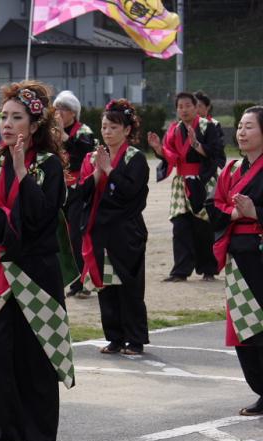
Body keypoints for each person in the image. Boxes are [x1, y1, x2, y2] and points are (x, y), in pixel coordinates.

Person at [0, 81, 75, 441]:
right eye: (3, 117)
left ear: (36, 122)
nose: (7, 124)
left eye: (17, 117)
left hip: (36, 271)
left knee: (34, 356)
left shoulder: (49, 165)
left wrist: (23, 172)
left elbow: (40, 216)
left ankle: (37, 439)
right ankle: (1, 436)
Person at [78, 99, 150, 355]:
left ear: (127, 130)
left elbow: (132, 194)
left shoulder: (135, 157)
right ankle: (115, 338)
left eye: (114, 127)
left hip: (125, 231)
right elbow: (81, 193)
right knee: (105, 286)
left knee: (129, 286)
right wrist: (97, 173)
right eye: (105, 127)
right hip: (99, 230)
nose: (107, 132)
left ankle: (136, 338)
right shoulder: (91, 157)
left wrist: (110, 169)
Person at [206, 105, 263, 417]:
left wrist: (256, 214)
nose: (241, 132)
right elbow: (213, 207)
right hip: (237, 256)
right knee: (245, 324)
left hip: (259, 252)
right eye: (240, 126)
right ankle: (260, 388)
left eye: (249, 126)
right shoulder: (230, 171)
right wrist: (233, 213)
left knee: (262, 322)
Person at [148, 92, 225, 282]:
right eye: (180, 107)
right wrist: (159, 149)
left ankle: (208, 269)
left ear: (195, 106)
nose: (184, 110)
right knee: (180, 225)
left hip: (203, 180)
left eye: (187, 105)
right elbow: (171, 157)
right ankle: (180, 271)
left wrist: (197, 144)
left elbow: (216, 153)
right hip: (181, 182)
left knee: (203, 226)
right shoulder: (174, 129)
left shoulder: (209, 126)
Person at [53, 90, 95, 298]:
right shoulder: (51, 131)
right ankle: (67, 279)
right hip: (59, 188)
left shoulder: (83, 131)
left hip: (79, 188)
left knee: (77, 236)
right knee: (61, 236)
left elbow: (85, 156)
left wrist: (65, 137)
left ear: (74, 113)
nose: (59, 113)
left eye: (64, 109)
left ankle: (82, 282)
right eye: (57, 108)